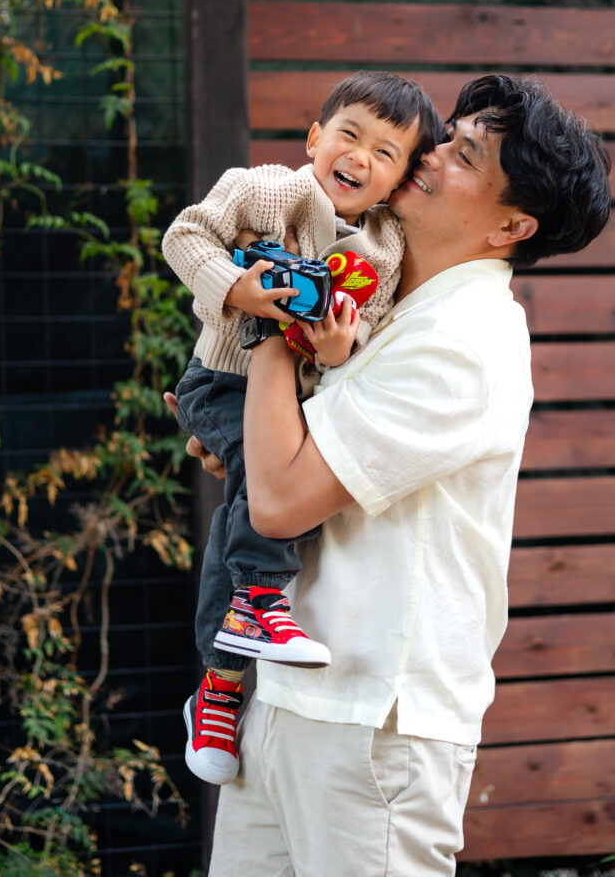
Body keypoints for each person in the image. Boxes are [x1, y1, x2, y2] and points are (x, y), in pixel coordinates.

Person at [180, 74, 612, 876]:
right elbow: (276, 462)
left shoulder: (462, 340)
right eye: (448, 134)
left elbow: (279, 502)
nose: (429, 152)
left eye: (464, 155)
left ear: (510, 225)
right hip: (280, 699)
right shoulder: (379, 294)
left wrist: (275, 318)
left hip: (374, 727)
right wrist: (236, 434)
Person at [161, 72, 444, 785]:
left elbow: (363, 327)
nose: (359, 157)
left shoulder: (382, 251)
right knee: (267, 486)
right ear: (315, 138)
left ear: (400, 182)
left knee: (261, 497)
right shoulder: (265, 189)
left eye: (386, 153)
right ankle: (257, 605)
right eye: (349, 135)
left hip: (295, 396)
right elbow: (185, 235)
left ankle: (218, 689)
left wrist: (337, 350)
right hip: (219, 381)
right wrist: (235, 286)